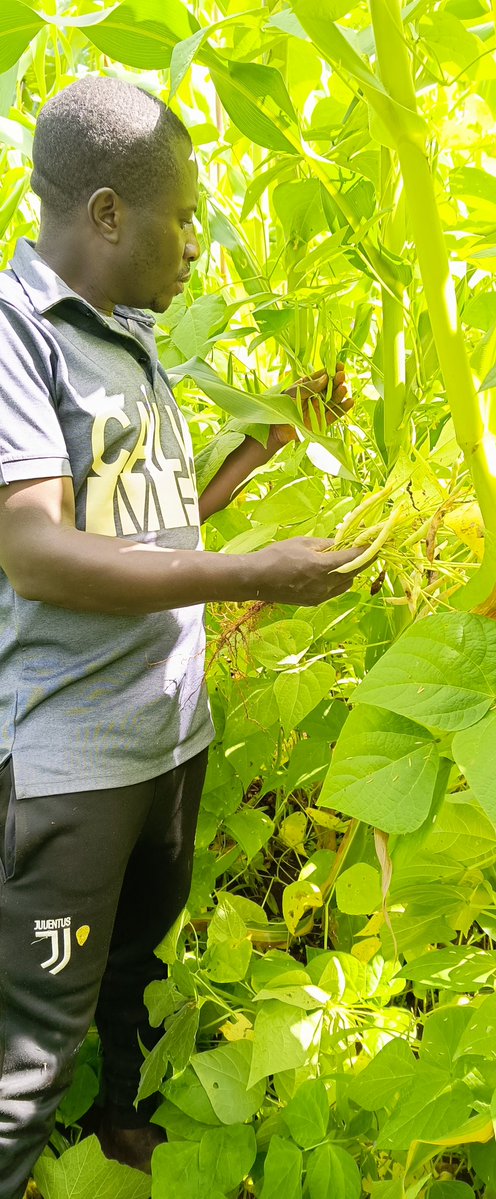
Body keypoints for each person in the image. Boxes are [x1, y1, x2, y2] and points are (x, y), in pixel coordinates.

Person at [0, 75, 362, 1198]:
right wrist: (257, 573)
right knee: (29, 1055)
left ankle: (126, 1138)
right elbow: (37, 550)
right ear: (108, 213)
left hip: (167, 737)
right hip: (73, 760)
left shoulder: (132, 339)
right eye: (186, 217)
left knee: (138, 983)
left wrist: (261, 449)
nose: (198, 243)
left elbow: (150, 529)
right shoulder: (20, 333)